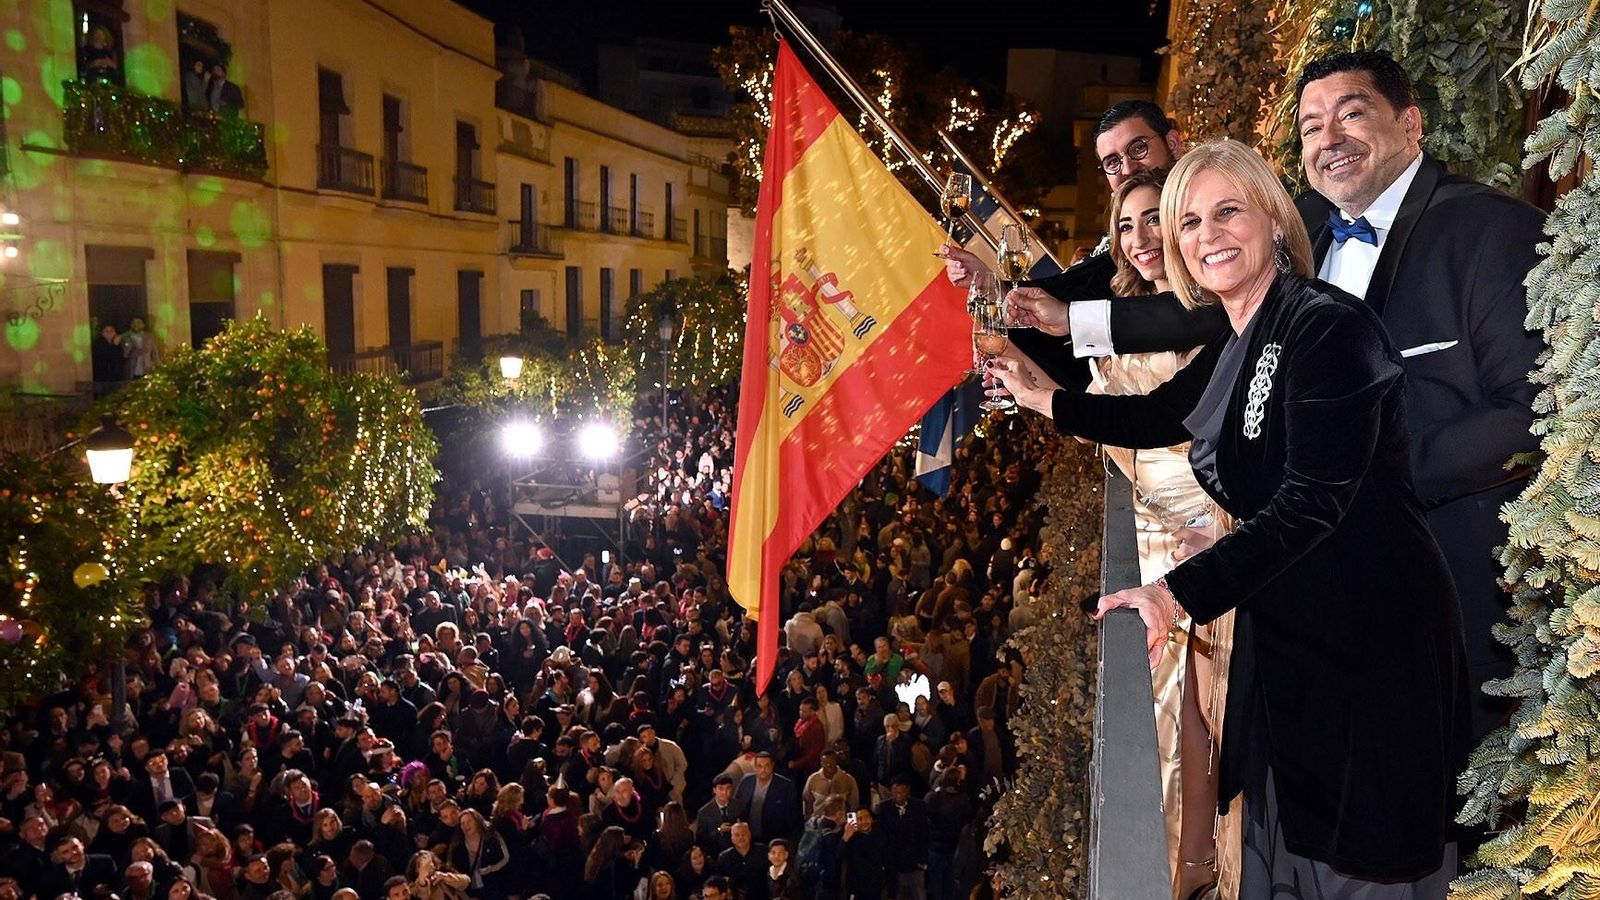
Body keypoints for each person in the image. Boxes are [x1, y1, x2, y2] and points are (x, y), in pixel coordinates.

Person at [1011, 51, 1546, 753]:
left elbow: (1530, 415)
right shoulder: (1304, 238)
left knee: (1445, 827)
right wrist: (1052, 382)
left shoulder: (1491, 232)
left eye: (1352, 113)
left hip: (1450, 600)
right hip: (1316, 617)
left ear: (1411, 124)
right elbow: (1193, 367)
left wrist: (1365, 488)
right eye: (1311, 125)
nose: (1330, 138)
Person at [991, 138, 1469, 894]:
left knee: (1364, 870)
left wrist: (1172, 592)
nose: (1206, 235)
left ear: (1274, 221)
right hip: (1295, 636)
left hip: (1369, 645)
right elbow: (1156, 414)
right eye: (1189, 222)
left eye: (1227, 212)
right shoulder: (1246, 329)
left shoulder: (1326, 328)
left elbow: (1311, 502)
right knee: (1295, 854)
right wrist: (1042, 398)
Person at [733, 753, 796, 844]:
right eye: (759, 766)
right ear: (754, 767)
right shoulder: (746, 781)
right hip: (748, 836)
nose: (763, 770)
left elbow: (791, 816)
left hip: (773, 837)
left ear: (772, 766)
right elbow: (736, 804)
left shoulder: (785, 785)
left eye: (767, 766)